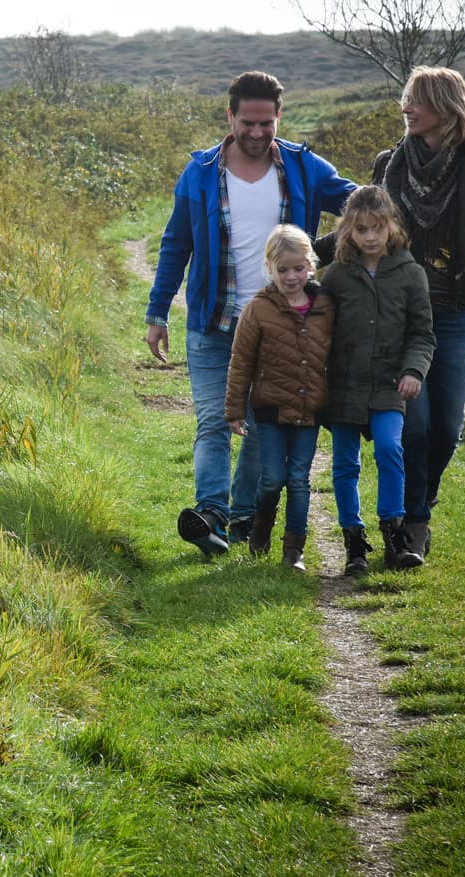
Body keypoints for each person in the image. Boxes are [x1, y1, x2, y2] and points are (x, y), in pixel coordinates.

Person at [146, 70, 356, 557]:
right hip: (214, 323)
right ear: (230, 117)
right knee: (214, 422)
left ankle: (239, 517)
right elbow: (176, 244)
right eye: (249, 123)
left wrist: (320, 255)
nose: (258, 133)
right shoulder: (200, 172)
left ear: (279, 118)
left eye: (268, 123)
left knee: (264, 428)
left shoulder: (304, 169)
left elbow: (359, 205)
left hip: (281, 327)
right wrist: (158, 311)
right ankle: (212, 513)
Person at [373, 66, 465, 561]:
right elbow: (371, 233)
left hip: (453, 313)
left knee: (448, 429)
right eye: (405, 99)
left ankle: (419, 505)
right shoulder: (389, 164)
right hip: (402, 313)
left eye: (417, 101)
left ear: (447, 108)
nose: (406, 108)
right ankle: (412, 527)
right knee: (417, 425)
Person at [319, 186, 434, 572]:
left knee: (389, 449)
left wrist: (413, 370)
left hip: (389, 384)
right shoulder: (335, 277)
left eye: (377, 228)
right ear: (347, 231)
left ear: (391, 228)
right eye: (361, 229)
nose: (369, 237)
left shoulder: (411, 274)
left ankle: (395, 535)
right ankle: (354, 543)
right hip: (344, 385)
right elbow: (318, 329)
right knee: (345, 464)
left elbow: (422, 333)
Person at [224, 225, 334, 570]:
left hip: (309, 409)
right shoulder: (258, 310)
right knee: (272, 478)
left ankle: (294, 551)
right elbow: (241, 362)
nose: (291, 276)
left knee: (299, 479)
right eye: (282, 269)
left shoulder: (326, 307)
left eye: (298, 268)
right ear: (269, 268)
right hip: (269, 410)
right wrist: (234, 409)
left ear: (311, 266)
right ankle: (260, 532)